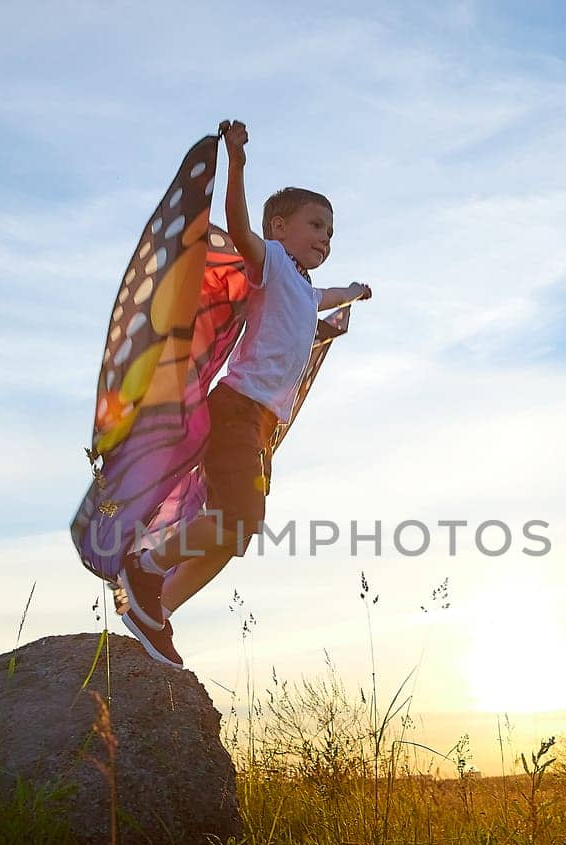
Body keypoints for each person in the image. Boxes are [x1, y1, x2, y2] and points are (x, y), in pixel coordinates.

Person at [118, 119, 371, 667]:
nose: (324, 239)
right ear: (279, 228)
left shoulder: (301, 284)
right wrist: (238, 162)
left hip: (259, 426)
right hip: (235, 410)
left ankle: (153, 610)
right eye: (316, 225)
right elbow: (237, 223)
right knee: (238, 520)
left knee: (234, 535)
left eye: (331, 233)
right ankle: (146, 569)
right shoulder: (273, 263)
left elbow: (320, 297)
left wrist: (353, 291)